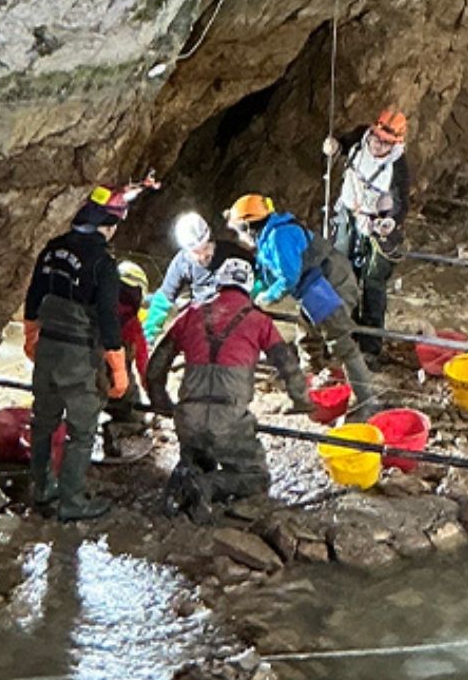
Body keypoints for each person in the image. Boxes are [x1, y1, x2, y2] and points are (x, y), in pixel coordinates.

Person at [145, 258, 311, 522]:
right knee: (256, 476)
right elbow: (288, 365)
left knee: (198, 456)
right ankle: (207, 486)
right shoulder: (259, 320)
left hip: (188, 418)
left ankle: (186, 476)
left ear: (218, 283)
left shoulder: (191, 314)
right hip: (229, 421)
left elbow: (156, 366)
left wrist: (160, 401)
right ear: (247, 287)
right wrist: (303, 400)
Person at [21, 185, 133, 521]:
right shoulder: (103, 263)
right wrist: (118, 365)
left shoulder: (53, 249)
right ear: (109, 226)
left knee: (42, 422)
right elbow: (108, 317)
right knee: (82, 431)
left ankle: (41, 489)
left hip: (48, 349)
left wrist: (31, 335)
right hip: (77, 353)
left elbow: (33, 296)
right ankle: (72, 503)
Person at [225, 193, 379, 415]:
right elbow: (265, 275)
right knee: (307, 337)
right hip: (313, 288)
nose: (239, 236)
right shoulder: (267, 238)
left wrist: (267, 298)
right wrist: (246, 294)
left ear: (248, 226)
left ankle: (368, 403)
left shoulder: (280, 236)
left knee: (340, 342)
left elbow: (289, 277)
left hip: (331, 284)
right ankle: (309, 393)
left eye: (239, 230)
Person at [325, 108, 410, 358]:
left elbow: (401, 203)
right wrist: (335, 145)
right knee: (343, 276)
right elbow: (343, 141)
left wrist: (390, 221)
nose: (378, 145)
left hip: (376, 226)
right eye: (377, 138)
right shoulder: (360, 136)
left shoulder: (398, 168)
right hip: (349, 216)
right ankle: (345, 334)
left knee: (373, 283)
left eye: (386, 143)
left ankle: (371, 346)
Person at [143, 212, 243, 340]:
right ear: (187, 250)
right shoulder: (182, 263)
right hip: (202, 319)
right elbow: (163, 300)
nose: (203, 256)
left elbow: (258, 277)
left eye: (206, 248)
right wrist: (148, 336)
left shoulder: (232, 254)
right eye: (196, 252)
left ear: (211, 239)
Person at [101, 259, 152, 458]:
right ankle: (117, 428)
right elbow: (143, 366)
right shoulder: (132, 325)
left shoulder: (92, 308)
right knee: (136, 417)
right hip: (116, 385)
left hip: (81, 378)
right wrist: (155, 396)